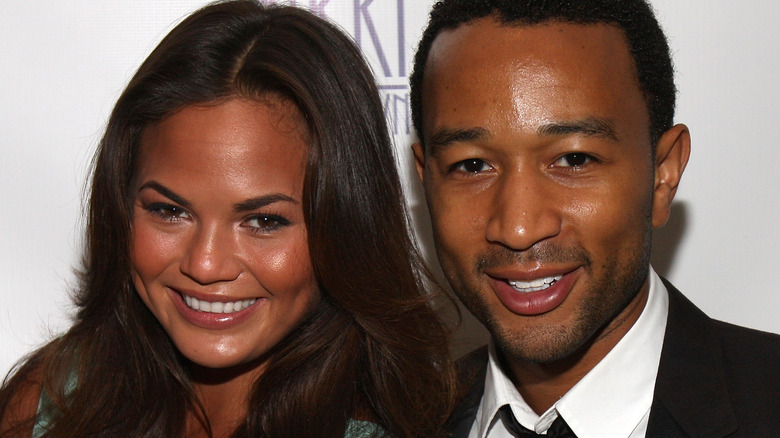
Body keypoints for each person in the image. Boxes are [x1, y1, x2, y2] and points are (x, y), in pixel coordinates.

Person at [0, 1, 457, 437]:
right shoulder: (51, 402)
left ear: (346, 227)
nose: (205, 264)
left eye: (263, 221)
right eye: (169, 211)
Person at [409, 0, 780, 437]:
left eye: (574, 159)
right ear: (426, 178)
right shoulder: (393, 421)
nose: (519, 227)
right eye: (472, 166)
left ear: (663, 173)